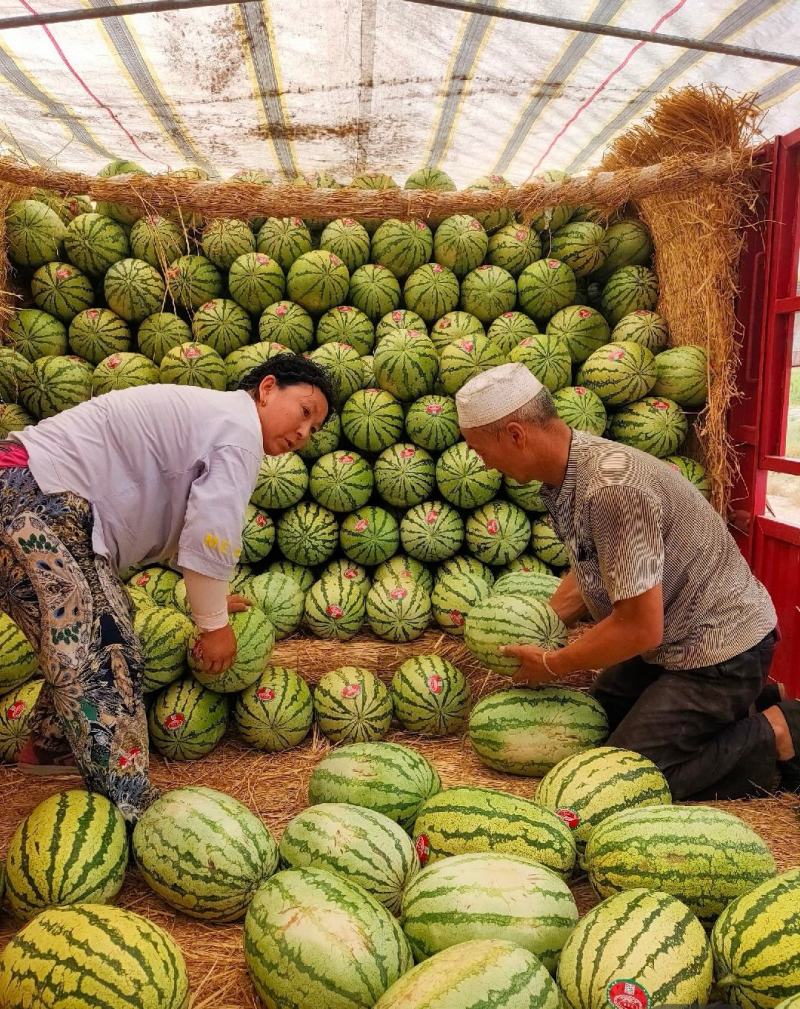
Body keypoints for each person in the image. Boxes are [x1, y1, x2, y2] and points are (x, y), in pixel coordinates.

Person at [0, 355, 331, 822]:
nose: (303, 434)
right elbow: (211, 530)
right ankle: (131, 808)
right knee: (104, 648)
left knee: (94, 633)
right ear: (268, 388)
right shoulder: (238, 432)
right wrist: (212, 624)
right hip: (40, 499)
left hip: (25, 489)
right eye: (304, 411)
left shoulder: (213, 419)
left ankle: (52, 751)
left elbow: (183, 523)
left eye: (313, 430)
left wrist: (211, 600)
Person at [456, 362, 799, 800]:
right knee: (598, 726)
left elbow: (640, 626)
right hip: (667, 644)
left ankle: (779, 729)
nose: (481, 463)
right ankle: (751, 701)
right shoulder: (570, 472)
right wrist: (541, 623)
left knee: (629, 784)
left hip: (719, 649)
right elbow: (593, 570)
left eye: (480, 449)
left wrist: (552, 665)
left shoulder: (612, 488)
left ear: (516, 435)